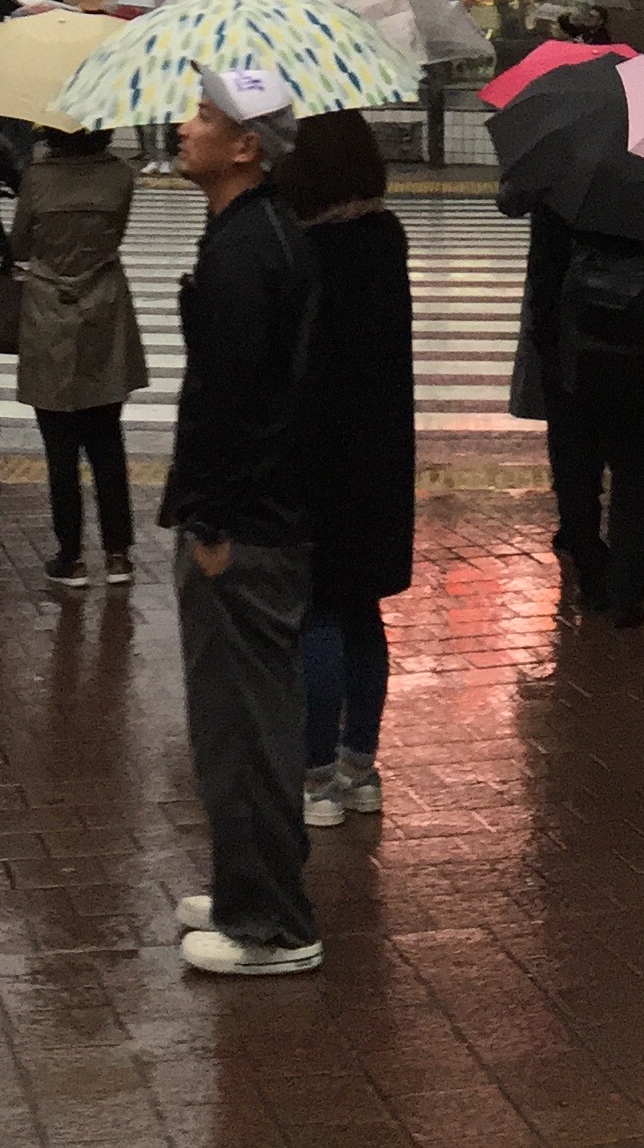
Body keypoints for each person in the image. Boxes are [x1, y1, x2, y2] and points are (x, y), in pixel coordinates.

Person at [145, 80, 331, 978]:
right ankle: (247, 884)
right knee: (241, 717)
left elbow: (236, 404)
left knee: (244, 721)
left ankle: (272, 924)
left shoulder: (246, 253)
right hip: (261, 518)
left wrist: (211, 523)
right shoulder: (253, 237)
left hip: (245, 529)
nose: (186, 127)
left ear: (248, 148)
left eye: (207, 119)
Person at [280, 109, 420, 836]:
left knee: (319, 611)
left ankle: (313, 777)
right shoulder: (384, 237)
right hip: (381, 447)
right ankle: (360, 766)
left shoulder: (310, 252)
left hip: (322, 449)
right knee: (363, 609)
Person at [512, 194, 644, 635]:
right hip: (638, 359)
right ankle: (629, 592)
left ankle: (592, 576)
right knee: (635, 472)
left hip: (574, 358)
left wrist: (548, 349)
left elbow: (543, 277)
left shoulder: (560, 190)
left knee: (576, 472)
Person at [4, 125, 146, 589]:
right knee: (107, 435)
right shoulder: (121, 176)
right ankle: (118, 552)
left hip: (48, 305)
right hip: (105, 302)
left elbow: (20, 245)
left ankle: (70, 555)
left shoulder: (37, 177)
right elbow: (118, 232)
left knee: (59, 439)